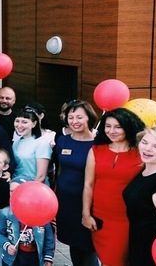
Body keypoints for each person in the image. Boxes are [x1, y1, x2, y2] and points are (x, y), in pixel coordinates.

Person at [81, 108, 145, 266]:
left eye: (118, 127)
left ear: (129, 127)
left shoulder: (141, 153)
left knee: (116, 260)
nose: (111, 131)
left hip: (127, 219)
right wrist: (86, 214)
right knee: (107, 260)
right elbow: (88, 184)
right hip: (100, 218)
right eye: (108, 126)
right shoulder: (96, 150)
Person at [53, 100, 97, 266]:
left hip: (87, 202)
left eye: (79, 117)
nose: (74, 121)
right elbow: (58, 169)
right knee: (73, 243)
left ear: (89, 118)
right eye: (70, 117)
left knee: (88, 246)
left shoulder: (97, 144)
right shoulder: (63, 141)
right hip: (66, 202)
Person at [123, 125, 156, 266]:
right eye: (144, 142)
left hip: (150, 250)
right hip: (138, 241)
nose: (147, 149)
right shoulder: (145, 170)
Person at [0, 181, 55, 266]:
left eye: (18, 190)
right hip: (13, 258)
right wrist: (7, 246)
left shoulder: (41, 212)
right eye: (11, 191)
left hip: (35, 257)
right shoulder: (4, 213)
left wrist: (48, 257)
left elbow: (49, 238)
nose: (14, 194)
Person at [11, 108, 52, 184]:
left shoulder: (42, 143)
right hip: (16, 183)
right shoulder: (16, 143)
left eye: (24, 122)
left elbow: (41, 176)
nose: (19, 125)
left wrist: (30, 188)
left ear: (34, 123)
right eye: (17, 121)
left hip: (34, 185)